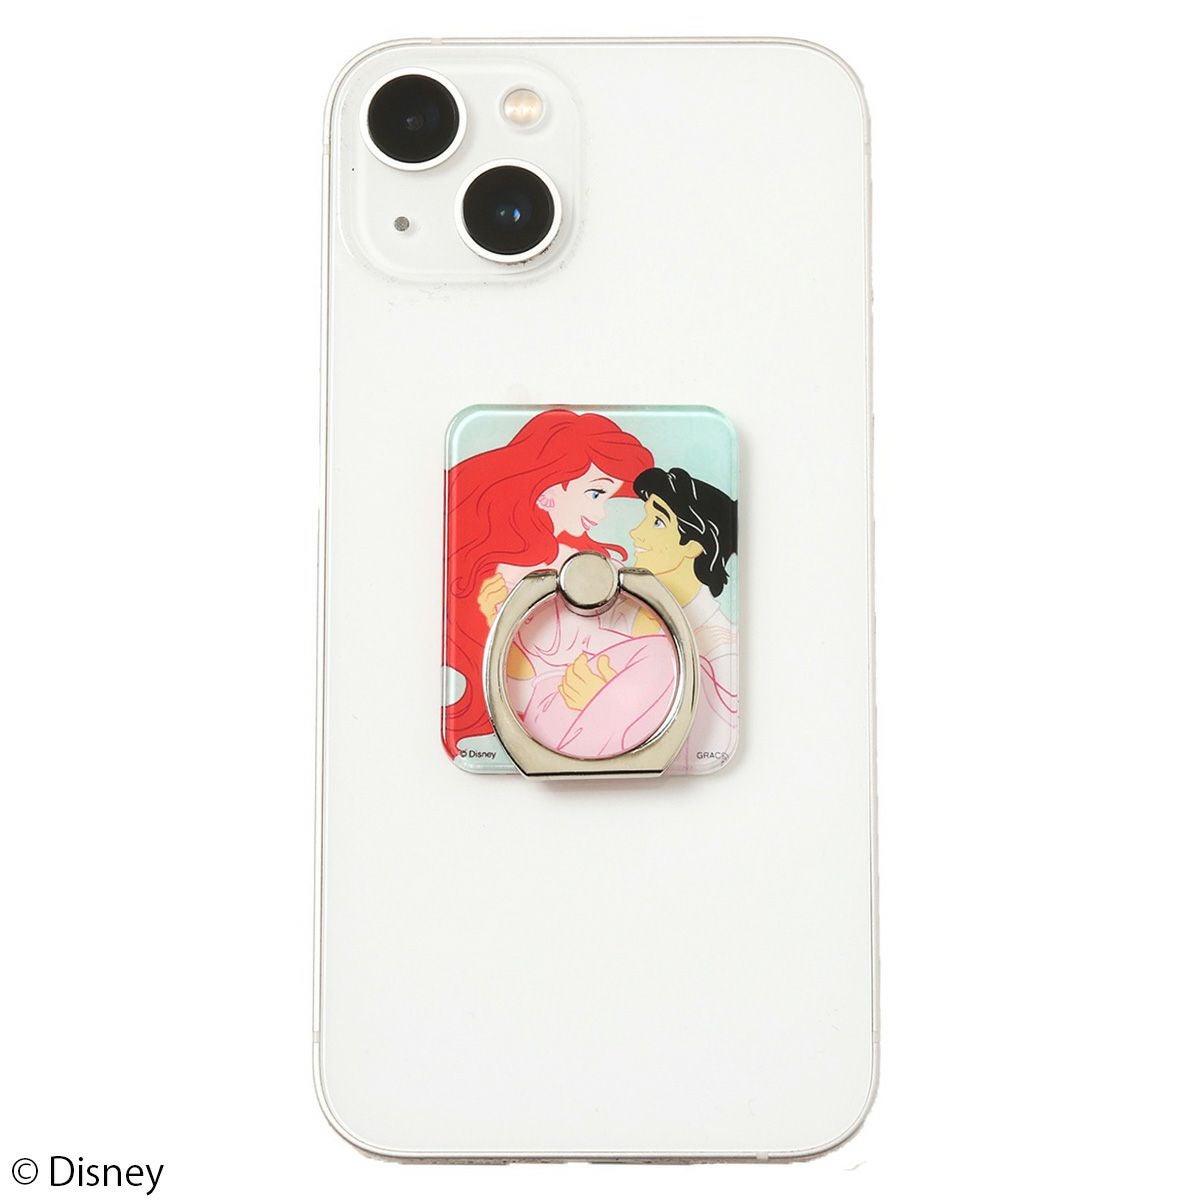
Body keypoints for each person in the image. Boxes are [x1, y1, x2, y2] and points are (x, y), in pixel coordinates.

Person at [443, 409, 671, 759]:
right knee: (655, 655)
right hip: (552, 711)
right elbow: (522, 675)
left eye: (606, 498)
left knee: (657, 655)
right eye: (595, 494)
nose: (601, 514)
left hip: (607, 701)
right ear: (548, 490)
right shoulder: (508, 576)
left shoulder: (585, 565)